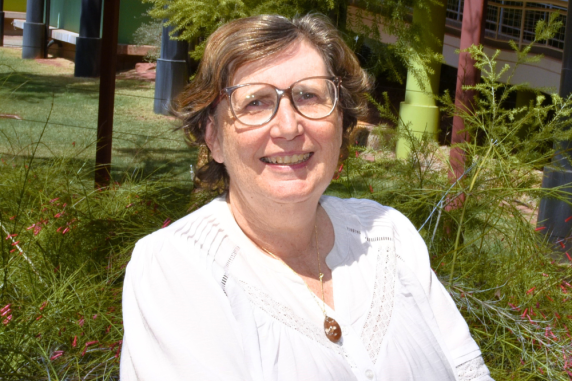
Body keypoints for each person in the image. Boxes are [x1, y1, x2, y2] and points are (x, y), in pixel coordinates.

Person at [120, 14, 493, 381]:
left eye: (309, 95)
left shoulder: (389, 235)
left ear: (341, 122)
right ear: (213, 137)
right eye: (255, 102)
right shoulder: (176, 267)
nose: (288, 126)